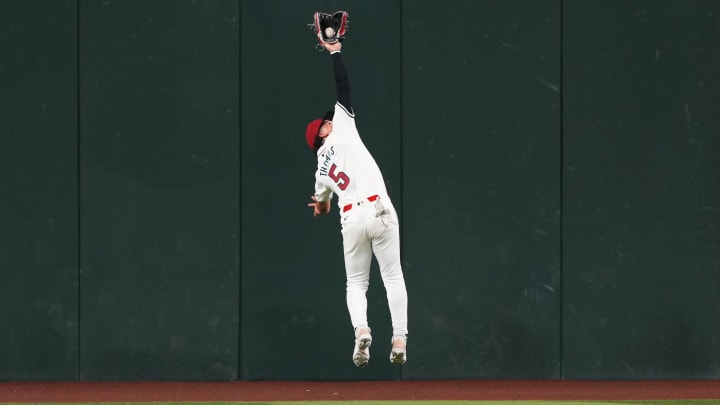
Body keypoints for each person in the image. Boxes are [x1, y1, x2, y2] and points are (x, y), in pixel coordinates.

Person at [305, 40, 408, 367]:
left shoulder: (320, 169)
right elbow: (344, 86)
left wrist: (321, 206)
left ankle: (361, 330)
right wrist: (334, 50)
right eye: (325, 121)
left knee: (356, 284)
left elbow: (321, 204)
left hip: (350, 219)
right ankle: (400, 338)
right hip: (379, 209)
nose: (330, 118)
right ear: (323, 130)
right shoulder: (341, 126)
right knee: (392, 277)